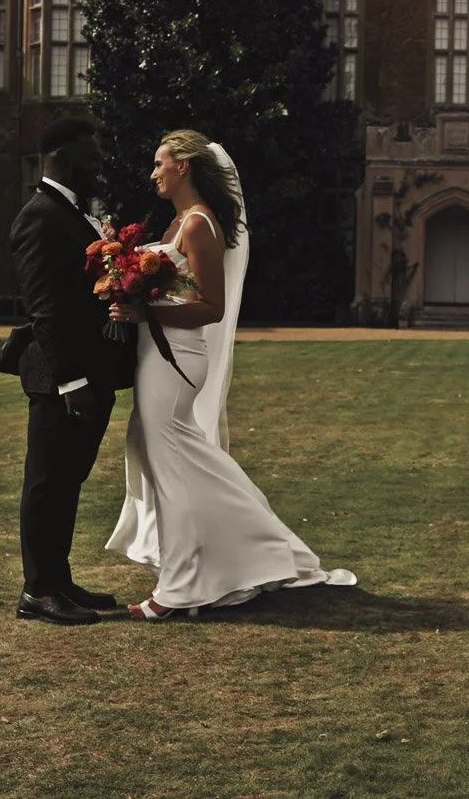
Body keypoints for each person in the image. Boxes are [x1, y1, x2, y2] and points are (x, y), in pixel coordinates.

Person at [104, 129, 355, 620]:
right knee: (177, 457)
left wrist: (145, 313)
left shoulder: (199, 224)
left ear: (184, 167)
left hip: (176, 357)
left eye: (160, 163)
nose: (153, 172)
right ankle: (262, 547)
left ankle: (176, 589)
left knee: (171, 463)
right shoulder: (178, 220)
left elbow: (211, 308)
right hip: (158, 354)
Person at [8, 118, 128, 626]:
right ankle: (38, 591)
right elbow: (46, 310)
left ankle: (58, 580)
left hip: (86, 375)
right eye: (90, 158)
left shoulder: (73, 214)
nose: (98, 166)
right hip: (62, 380)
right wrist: (71, 381)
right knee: (46, 482)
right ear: (59, 156)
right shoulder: (40, 217)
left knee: (68, 481)